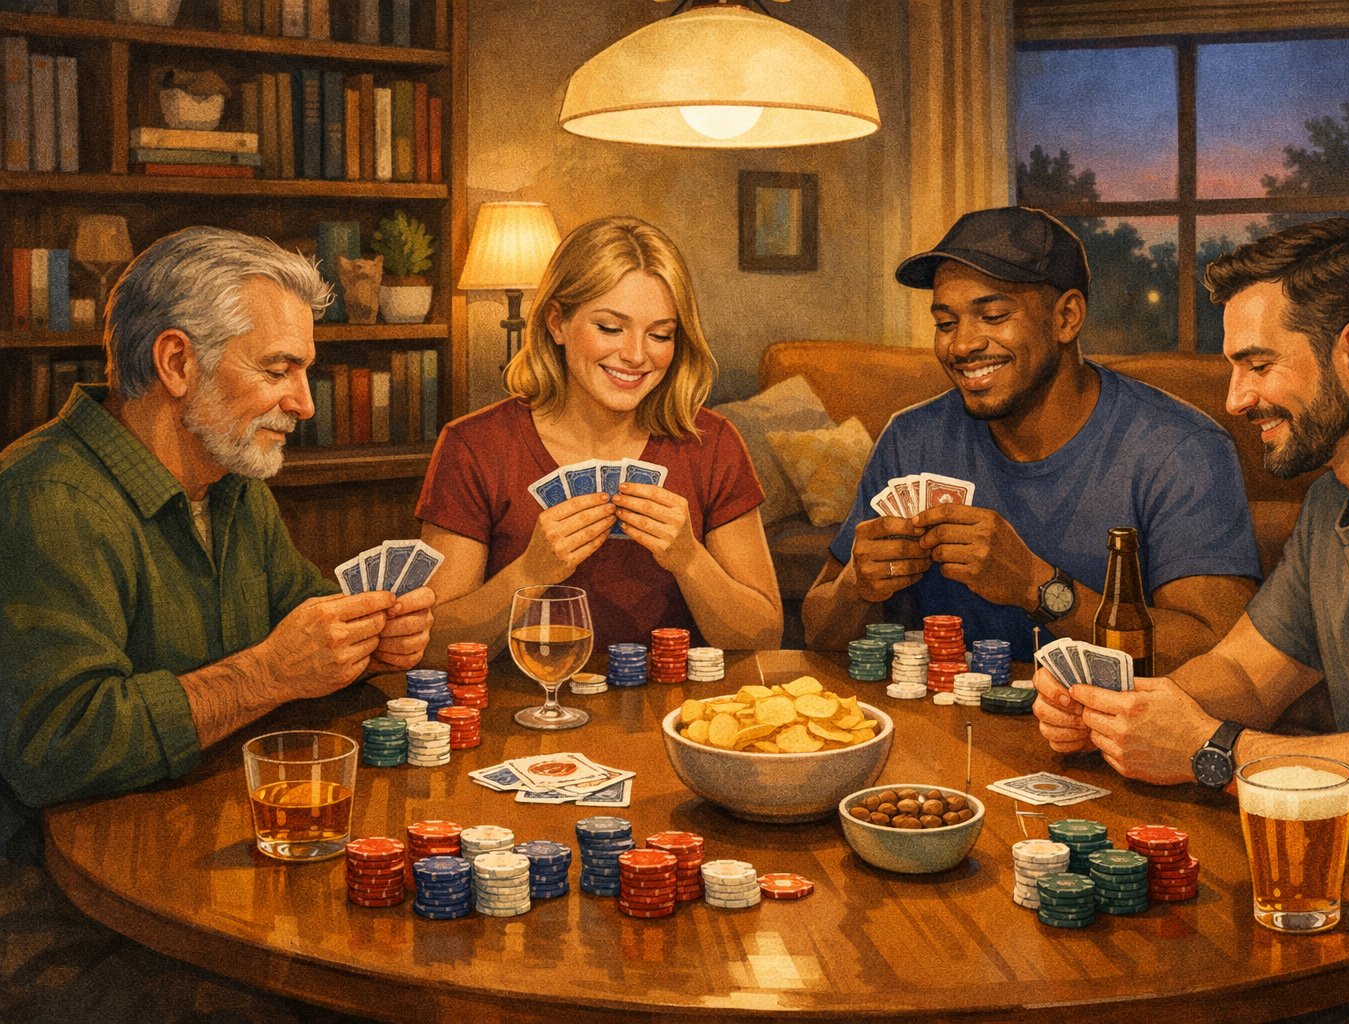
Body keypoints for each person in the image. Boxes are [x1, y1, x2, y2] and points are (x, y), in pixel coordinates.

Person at [1034, 217, 1349, 1019]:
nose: (1236, 399)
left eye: (1258, 365)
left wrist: (1206, 751)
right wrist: (1119, 711)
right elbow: (1245, 671)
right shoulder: (1337, 496)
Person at [0, 225, 433, 1021]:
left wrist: (371, 638)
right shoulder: (45, 497)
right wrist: (269, 673)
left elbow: (302, 618)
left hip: (207, 871)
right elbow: (58, 747)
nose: (304, 403)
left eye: (305, 371)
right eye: (278, 369)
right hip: (63, 919)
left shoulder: (232, 482)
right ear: (176, 362)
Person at [802, 206, 1260, 666]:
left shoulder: (1180, 447)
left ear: (1067, 318)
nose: (961, 345)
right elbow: (818, 631)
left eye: (993, 315)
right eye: (945, 323)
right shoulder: (910, 438)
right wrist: (855, 587)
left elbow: (1218, 655)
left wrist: (1035, 585)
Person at [416, 215, 781, 656]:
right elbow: (430, 647)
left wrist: (690, 559)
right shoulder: (475, 446)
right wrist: (528, 573)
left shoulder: (712, 443)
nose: (636, 355)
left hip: (675, 697)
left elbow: (765, 636)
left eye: (660, 334)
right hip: (524, 697)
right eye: (610, 328)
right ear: (557, 322)